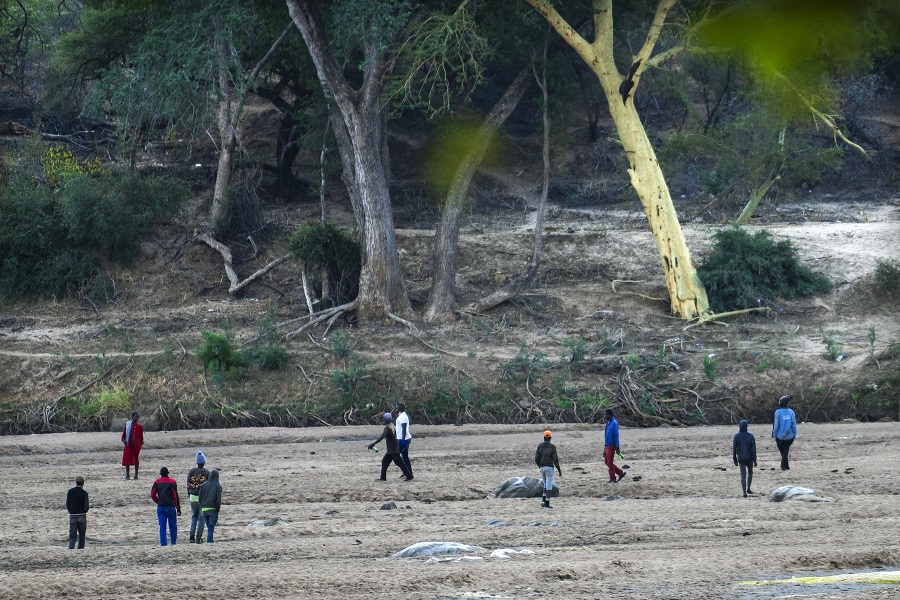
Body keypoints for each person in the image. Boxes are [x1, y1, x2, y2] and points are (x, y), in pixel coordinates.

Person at [368, 413, 413, 481]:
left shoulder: (387, 428)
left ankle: (409, 476)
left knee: (399, 463)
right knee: (385, 462)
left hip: (392, 450)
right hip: (393, 449)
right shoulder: (392, 425)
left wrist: (373, 444)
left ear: (385, 420)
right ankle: (383, 477)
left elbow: (382, 436)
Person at [150, 467, 182, 546]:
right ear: (168, 473)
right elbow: (175, 495)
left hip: (161, 506)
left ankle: (163, 544)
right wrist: (177, 507)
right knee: (173, 525)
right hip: (170, 506)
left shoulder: (157, 482)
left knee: (162, 525)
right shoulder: (172, 482)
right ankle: (173, 542)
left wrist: (158, 501)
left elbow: (152, 494)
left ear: (160, 474)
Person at [535, 430, 562, 509]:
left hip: (542, 467)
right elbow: (555, 459)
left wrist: (539, 466)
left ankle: (543, 500)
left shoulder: (539, 446)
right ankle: (547, 503)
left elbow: (536, 458)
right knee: (549, 486)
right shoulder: (552, 447)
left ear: (544, 437)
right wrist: (559, 470)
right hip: (549, 467)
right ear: (550, 437)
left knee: (545, 484)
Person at [187, 451, 210, 543]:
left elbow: (188, 485)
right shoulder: (207, 473)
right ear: (204, 462)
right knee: (201, 518)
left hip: (193, 497)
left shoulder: (191, 472)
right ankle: (198, 537)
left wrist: (190, 495)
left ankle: (191, 537)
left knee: (194, 516)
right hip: (203, 498)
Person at [732, 420, 758, 498]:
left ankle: (744, 492)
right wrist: (755, 460)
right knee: (750, 472)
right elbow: (753, 449)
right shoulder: (751, 436)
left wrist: (735, 460)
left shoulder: (736, 436)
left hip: (741, 458)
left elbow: (734, 449)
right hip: (749, 458)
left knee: (743, 475)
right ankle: (748, 488)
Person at [772, 394, 797, 471]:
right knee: (785, 451)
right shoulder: (791, 412)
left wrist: (774, 434)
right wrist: (794, 435)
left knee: (783, 452)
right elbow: (794, 425)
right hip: (790, 436)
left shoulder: (778, 412)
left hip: (780, 436)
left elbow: (776, 425)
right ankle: (786, 466)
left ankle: (783, 466)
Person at [198, 469, 222, 543]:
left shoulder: (204, 485)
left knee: (209, 527)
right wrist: (217, 510)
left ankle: (210, 540)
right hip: (212, 509)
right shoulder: (218, 486)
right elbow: (218, 500)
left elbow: (200, 497)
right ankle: (210, 541)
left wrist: (202, 505)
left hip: (204, 509)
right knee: (211, 527)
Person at [603, 408, 627, 483]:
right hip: (607, 445)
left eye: (605, 414)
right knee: (607, 462)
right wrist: (604, 447)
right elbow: (606, 435)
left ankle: (613, 478)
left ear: (609, 415)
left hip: (612, 445)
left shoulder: (614, 423)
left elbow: (616, 436)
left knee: (609, 462)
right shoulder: (608, 423)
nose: (604, 416)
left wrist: (617, 447)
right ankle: (620, 473)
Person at [65, 476, 89, 549]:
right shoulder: (84, 493)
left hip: (73, 515)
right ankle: (80, 549)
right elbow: (86, 506)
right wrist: (84, 511)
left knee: (72, 535)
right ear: (83, 483)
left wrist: (71, 511)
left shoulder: (70, 491)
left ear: (76, 482)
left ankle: (71, 548)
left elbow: (67, 504)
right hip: (82, 515)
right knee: (82, 535)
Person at [121, 412, 144, 480]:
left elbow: (141, 438)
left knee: (136, 460)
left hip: (136, 446)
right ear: (132, 417)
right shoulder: (128, 425)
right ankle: (127, 475)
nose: (137, 418)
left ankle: (136, 475)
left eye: (138, 417)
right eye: (136, 416)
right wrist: (124, 441)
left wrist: (139, 445)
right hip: (128, 446)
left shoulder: (140, 427)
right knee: (127, 460)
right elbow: (123, 436)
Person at [395, 402, 413, 477]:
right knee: (404, 456)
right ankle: (407, 472)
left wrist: (402, 440)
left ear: (400, 409)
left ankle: (407, 472)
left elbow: (404, 429)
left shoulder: (403, 417)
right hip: (403, 438)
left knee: (397, 456)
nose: (395, 409)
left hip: (404, 439)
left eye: (397, 408)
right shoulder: (402, 415)